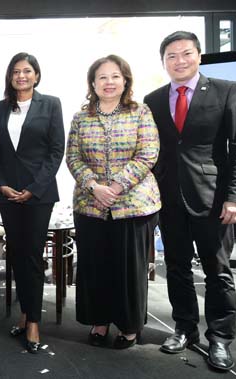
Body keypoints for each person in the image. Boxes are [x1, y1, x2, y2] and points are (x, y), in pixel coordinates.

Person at [143, 31, 236, 371]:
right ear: (164, 62)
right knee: (175, 268)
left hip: (213, 199)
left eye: (186, 54)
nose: (179, 61)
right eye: (171, 56)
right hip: (169, 198)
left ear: (199, 56)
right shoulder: (154, 99)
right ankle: (185, 328)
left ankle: (219, 338)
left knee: (217, 271)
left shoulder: (226, 89)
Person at [66, 54, 160, 350]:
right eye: (102, 77)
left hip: (133, 204)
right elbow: (73, 157)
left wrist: (116, 186)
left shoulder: (140, 112)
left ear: (125, 80)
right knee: (96, 267)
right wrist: (94, 186)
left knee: (129, 268)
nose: (109, 82)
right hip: (90, 205)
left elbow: (148, 153)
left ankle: (130, 326)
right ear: (92, 83)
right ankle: (99, 321)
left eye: (115, 76)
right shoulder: (81, 117)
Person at [0, 52, 64, 353]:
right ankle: (24, 311)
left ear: (36, 75)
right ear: (10, 76)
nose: (21, 76)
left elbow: (56, 151)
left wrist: (33, 188)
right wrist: (1, 185)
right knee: (17, 255)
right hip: (8, 194)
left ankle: (33, 320)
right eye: (16, 71)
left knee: (32, 256)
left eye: (27, 71)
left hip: (38, 195)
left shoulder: (51, 104)